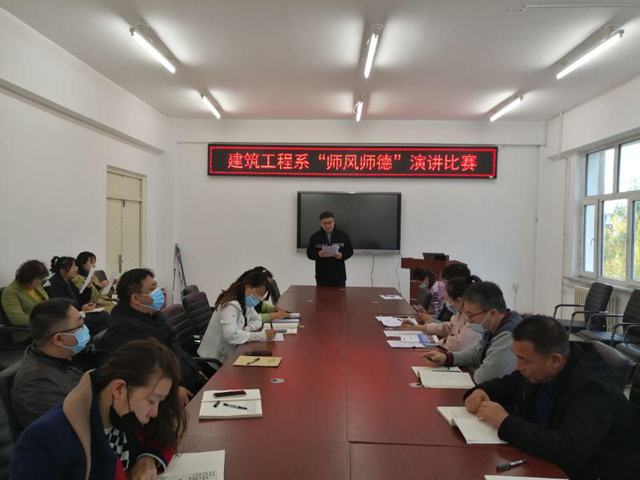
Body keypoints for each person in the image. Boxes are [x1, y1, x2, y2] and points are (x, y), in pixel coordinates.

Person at [464, 316, 640, 480]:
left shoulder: (594, 389)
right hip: (545, 463)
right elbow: (507, 385)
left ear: (555, 360)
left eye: (523, 360)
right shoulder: (540, 369)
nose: (517, 366)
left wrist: (505, 422)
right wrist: (480, 391)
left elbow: (568, 450)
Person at [11, 338, 186, 480]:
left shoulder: (123, 414)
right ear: (119, 389)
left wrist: (148, 458)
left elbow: (165, 432)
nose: (154, 412)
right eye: (151, 401)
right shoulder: (46, 439)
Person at [101, 268, 206, 402]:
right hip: (165, 397)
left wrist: (195, 369)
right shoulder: (123, 331)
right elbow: (138, 375)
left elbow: (175, 348)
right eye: (152, 289)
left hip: (187, 380)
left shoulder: (155, 315)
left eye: (156, 286)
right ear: (135, 298)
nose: (158, 292)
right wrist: (173, 391)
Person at [420, 281, 521, 384]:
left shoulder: (509, 335)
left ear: (492, 313)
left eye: (470, 315)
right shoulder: (492, 326)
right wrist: (447, 358)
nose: (468, 320)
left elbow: (485, 377)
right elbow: (476, 353)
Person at [12, 298, 88, 428]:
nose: (85, 330)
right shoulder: (37, 385)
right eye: (80, 326)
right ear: (59, 339)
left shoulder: (65, 356)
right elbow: (71, 430)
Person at [198, 270, 277, 370]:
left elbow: (257, 318)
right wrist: (260, 335)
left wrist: (248, 329)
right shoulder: (231, 304)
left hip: (231, 355)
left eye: (261, 296)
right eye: (258, 293)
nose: (258, 298)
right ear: (248, 287)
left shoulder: (245, 301)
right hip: (213, 363)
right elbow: (231, 334)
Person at [402, 276, 482, 352]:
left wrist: (439, 341)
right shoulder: (459, 313)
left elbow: (458, 344)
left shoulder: (472, 318)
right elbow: (448, 328)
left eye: (447, 298)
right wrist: (418, 327)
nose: (445, 300)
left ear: (459, 301)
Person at [45, 256, 110, 335]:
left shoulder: (69, 281)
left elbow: (82, 299)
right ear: (62, 271)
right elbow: (62, 306)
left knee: (100, 328)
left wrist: (89, 285)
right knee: (104, 315)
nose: (76, 269)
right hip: (67, 318)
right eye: (73, 267)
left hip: (78, 313)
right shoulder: (54, 284)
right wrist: (81, 308)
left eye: (75, 266)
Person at [1, 259, 49, 344]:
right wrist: (44, 319)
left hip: (47, 328)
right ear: (28, 279)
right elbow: (17, 318)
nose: (40, 282)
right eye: (38, 279)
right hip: (29, 334)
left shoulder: (36, 286)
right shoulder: (10, 293)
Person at [306, 211, 353, 287]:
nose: (328, 225)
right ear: (321, 224)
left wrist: (342, 255)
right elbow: (309, 253)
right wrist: (318, 255)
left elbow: (350, 251)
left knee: (340, 295)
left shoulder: (343, 235)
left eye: (330, 222)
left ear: (334, 221)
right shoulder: (315, 237)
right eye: (324, 223)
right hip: (322, 277)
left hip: (339, 276)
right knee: (322, 295)